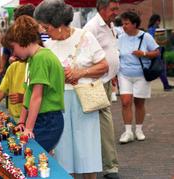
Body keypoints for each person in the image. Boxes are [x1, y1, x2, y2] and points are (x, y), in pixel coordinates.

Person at [34, 1, 109, 178]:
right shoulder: (49, 46)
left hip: (83, 101)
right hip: (59, 103)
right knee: (63, 152)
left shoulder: (85, 37)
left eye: (46, 27)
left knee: (86, 151)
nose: (44, 32)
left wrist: (81, 72)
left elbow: (104, 65)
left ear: (59, 25)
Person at [5, 15, 65, 153]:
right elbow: (29, 93)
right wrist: (22, 121)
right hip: (44, 118)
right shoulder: (35, 58)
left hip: (48, 120)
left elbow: (36, 97)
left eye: (13, 48)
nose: (13, 53)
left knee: (32, 155)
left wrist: (28, 128)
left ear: (21, 42)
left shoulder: (40, 59)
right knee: (35, 156)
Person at [83, 0, 120, 178]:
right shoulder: (92, 27)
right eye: (113, 9)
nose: (116, 12)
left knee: (101, 123)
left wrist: (113, 74)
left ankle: (102, 164)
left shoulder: (109, 25)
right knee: (104, 123)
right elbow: (85, 54)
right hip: (96, 82)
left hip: (105, 80)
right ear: (102, 9)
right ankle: (110, 166)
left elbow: (110, 52)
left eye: (117, 9)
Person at [118, 12, 160, 144]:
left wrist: (144, 53)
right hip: (124, 74)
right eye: (123, 23)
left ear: (134, 24)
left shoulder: (145, 36)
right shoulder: (120, 38)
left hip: (141, 75)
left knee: (139, 103)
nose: (124, 26)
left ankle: (139, 130)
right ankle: (128, 132)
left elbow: (157, 52)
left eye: (126, 23)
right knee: (125, 102)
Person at [147, 14, 174, 91]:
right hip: (156, 51)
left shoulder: (157, 29)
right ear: (156, 21)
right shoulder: (151, 30)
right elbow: (152, 41)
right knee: (160, 69)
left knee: (163, 68)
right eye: (159, 21)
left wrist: (166, 39)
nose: (159, 22)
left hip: (161, 50)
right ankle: (166, 86)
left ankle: (166, 84)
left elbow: (162, 41)